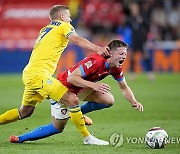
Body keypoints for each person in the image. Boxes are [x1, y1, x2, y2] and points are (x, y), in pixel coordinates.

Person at [0, 5, 110, 145]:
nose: (70, 19)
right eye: (69, 16)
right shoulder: (64, 26)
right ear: (62, 17)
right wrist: (98, 48)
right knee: (72, 99)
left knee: (25, 112)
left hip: (31, 73)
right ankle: (87, 138)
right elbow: (76, 39)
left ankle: (75, 114)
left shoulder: (45, 29)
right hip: (39, 75)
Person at [10, 40, 143, 144]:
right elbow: (71, 77)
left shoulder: (116, 68)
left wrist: (134, 102)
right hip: (63, 89)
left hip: (79, 89)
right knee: (57, 128)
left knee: (108, 100)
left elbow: (124, 87)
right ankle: (20, 138)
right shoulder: (95, 61)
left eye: (125, 54)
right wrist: (93, 86)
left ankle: (76, 113)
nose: (124, 57)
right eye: (121, 54)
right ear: (110, 53)